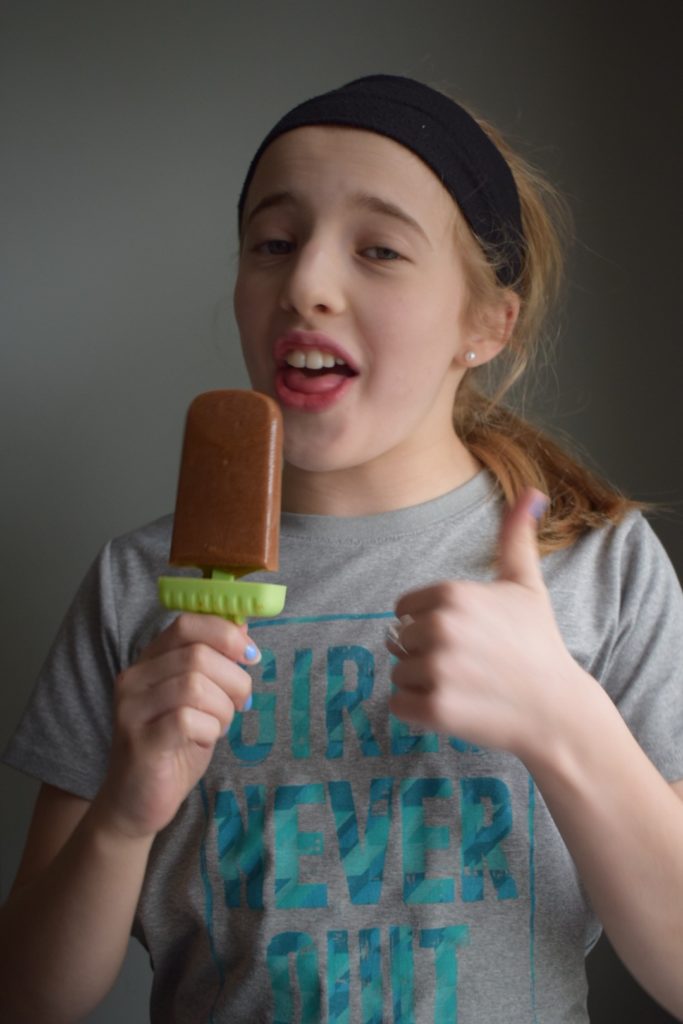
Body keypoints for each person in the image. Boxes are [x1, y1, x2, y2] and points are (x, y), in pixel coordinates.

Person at [1, 74, 682, 1024]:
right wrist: (123, 812)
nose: (306, 285)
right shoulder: (133, 587)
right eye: (272, 244)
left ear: (487, 324)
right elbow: (27, 998)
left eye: (379, 250)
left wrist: (563, 720)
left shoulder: (600, 567)